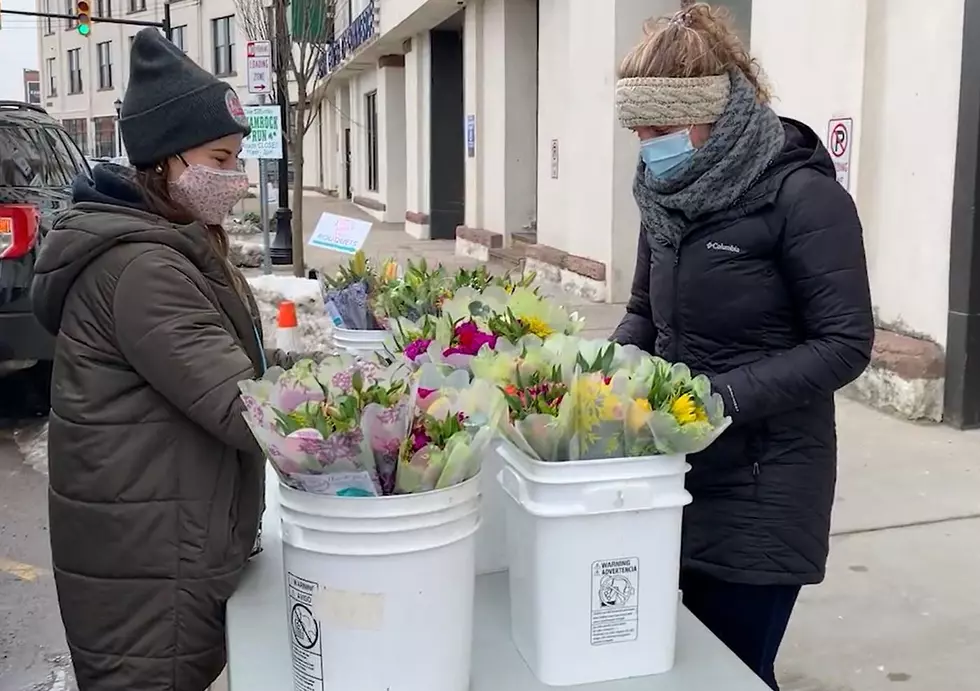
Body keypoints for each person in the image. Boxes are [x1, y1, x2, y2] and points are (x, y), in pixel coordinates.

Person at [31, 28, 303, 691]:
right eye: (221, 158)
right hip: (148, 572)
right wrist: (350, 413)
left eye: (239, 158)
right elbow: (242, 406)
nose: (236, 178)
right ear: (166, 160)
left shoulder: (164, 241)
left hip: (153, 542)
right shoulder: (143, 268)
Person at [611, 5, 874, 689]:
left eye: (660, 129)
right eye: (637, 130)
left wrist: (719, 398)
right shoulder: (664, 194)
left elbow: (844, 342)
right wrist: (609, 369)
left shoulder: (804, 199)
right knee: (674, 663)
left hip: (766, 482)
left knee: (734, 671)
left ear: (712, 114)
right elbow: (644, 310)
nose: (646, 144)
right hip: (674, 475)